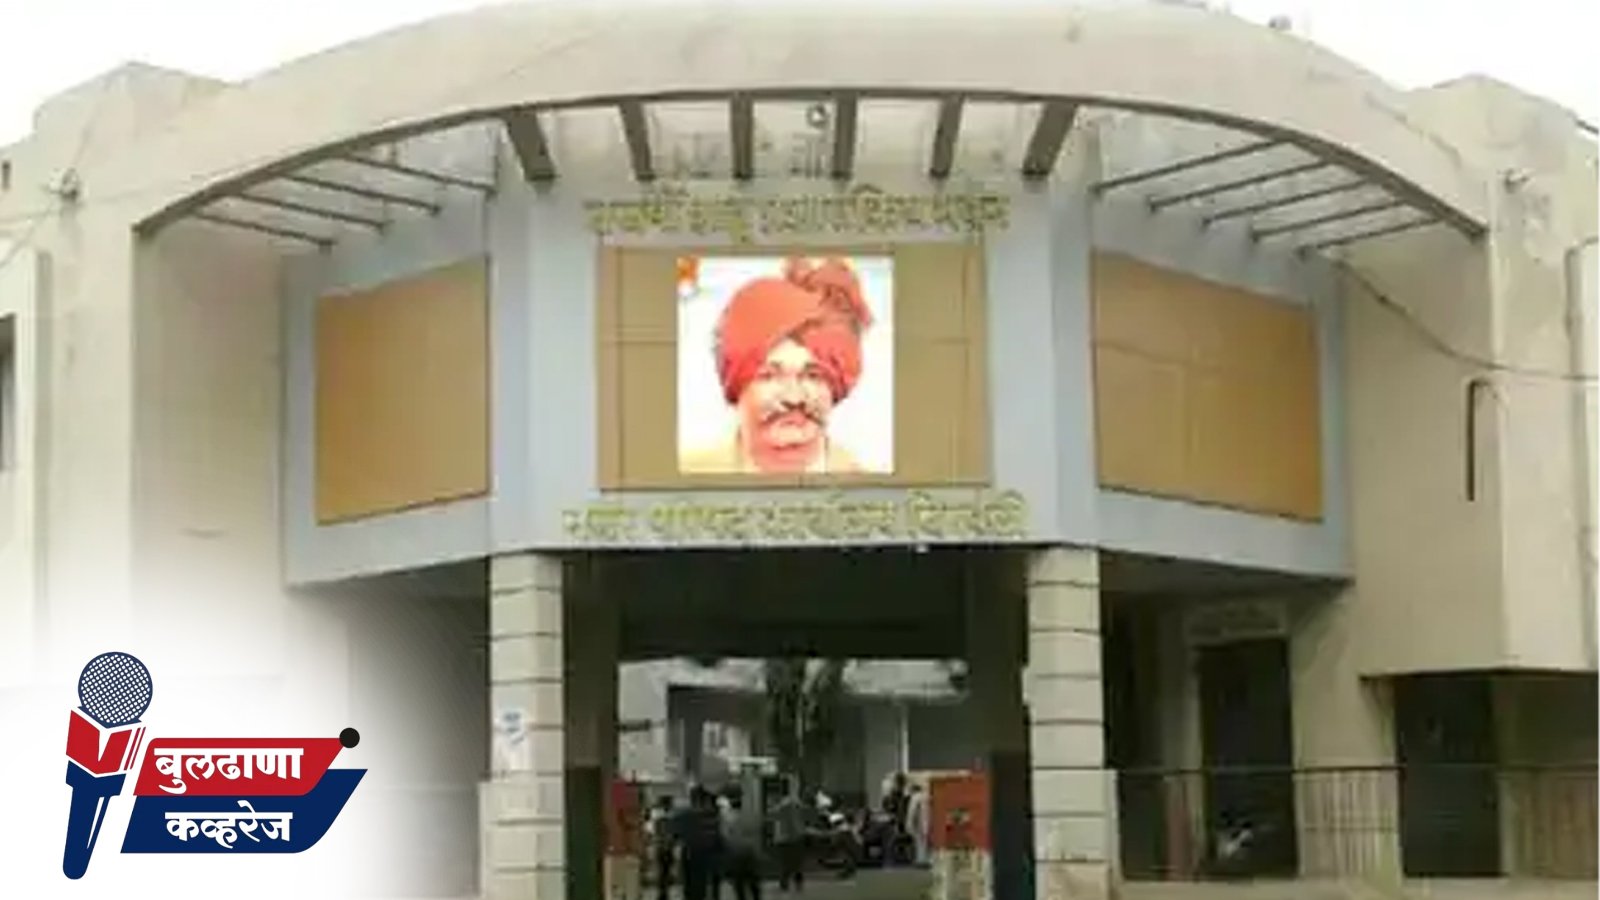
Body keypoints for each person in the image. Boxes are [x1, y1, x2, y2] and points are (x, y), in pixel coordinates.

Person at [681, 257, 875, 475]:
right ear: (735, 387)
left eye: (812, 376)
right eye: (769, 376)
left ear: (836, 388)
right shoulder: (687, 474)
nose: (793, 397)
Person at [678, 786, 726, 900]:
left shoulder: (688, 815)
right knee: (700, 886)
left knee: (694, 887)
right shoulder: (712, 816)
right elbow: (717, 837)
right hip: (701, 855)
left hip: (694, 855)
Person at [720, 786, 765, 900]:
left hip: (736, 852)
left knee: (739, 881)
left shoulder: (727, 817)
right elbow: (759, 828)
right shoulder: (751, 814)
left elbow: (725, 835)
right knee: (753, 879)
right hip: (751, 850)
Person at [771, 785, 808, 892]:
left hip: (786, 837)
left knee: (785, 862)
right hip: (796, 836)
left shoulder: (783, 805)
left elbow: (773, 814)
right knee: (797, 862)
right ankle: (797, 882)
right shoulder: (795, 803)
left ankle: (785, 883)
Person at [648, 795, 677, 900]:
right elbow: (671, 836)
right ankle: (664, 893)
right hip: (666, 848)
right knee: (665, 871)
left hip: (661, 848)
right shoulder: (669, 818)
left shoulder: (658, 818)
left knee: (662, 872)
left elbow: (656, 834)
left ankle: (662, 893)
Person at [905, 783, 929, 867]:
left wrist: (909, 824)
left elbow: (912, 812)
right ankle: (926, 860)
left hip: (919, 822)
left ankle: (921, 860)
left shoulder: (915, 797)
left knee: (919, 842)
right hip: (928, 822)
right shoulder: (927, 796)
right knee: (926, 842)